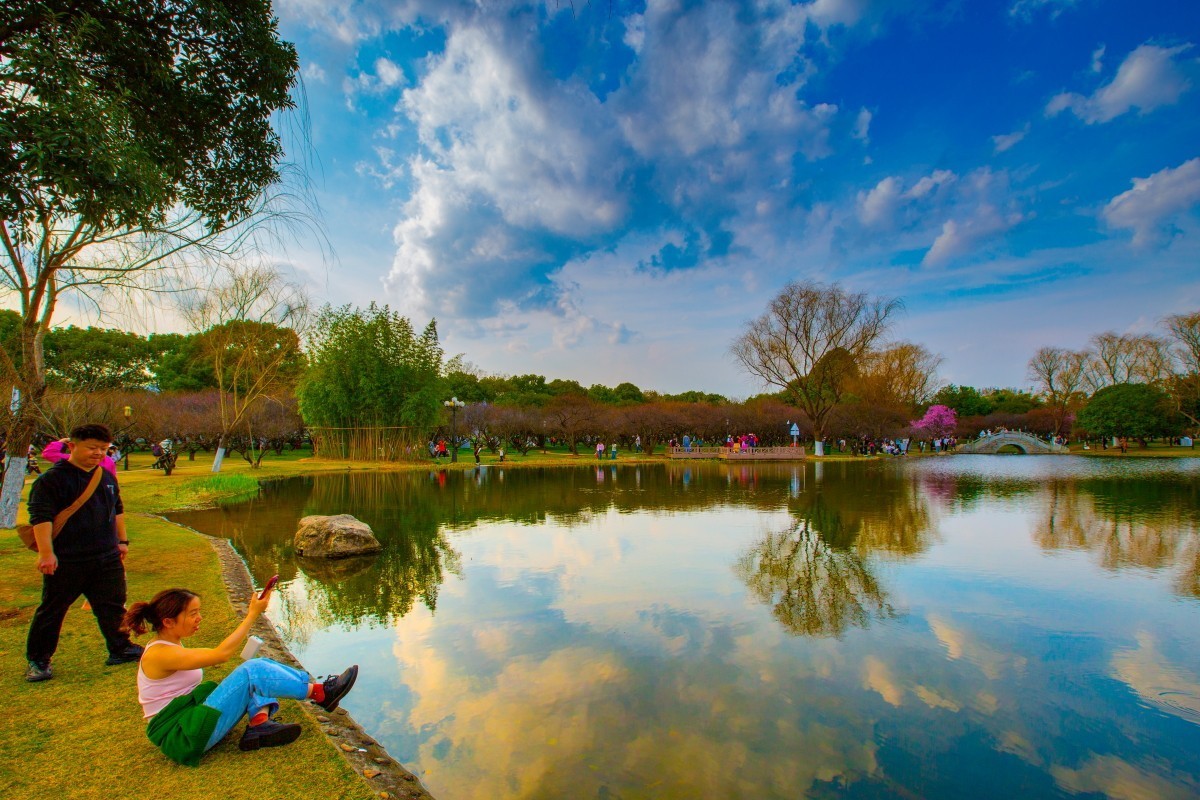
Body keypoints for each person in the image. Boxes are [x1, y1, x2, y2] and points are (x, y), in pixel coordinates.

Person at [124, 587, 358, 765]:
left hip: (190, 723)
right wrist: (251, 615)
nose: (199, 618)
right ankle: (320, 693)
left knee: (257, 670)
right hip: (182, 737)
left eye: (199, 612)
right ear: (168, 621)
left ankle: (259, 724)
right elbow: (221, 654)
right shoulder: (160, 654)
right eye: (193, 613)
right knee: (251, 671)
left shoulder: (169, 644)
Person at [25, 424, 142, 682]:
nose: (98, 454)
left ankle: (120, 648)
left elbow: (117, 509)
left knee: (112, 605)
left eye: (103, 449)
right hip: (68, 558)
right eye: (92, 448)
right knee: (53, 609)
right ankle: (39, 660)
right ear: (72, 446)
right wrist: (46, 553)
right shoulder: (52, 480)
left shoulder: (105, 476)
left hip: (106, 556)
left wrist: (122, 541)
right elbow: (40, 518)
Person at [43, 437, 119, 477]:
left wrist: (61, 442)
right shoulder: (108, 461)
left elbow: (49, 454)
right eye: (92, 448)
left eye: (103, 449)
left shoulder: (72, 459)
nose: (98, 452)